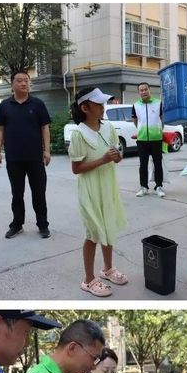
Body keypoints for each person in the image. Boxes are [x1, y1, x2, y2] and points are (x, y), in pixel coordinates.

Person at [68, 87, 128, 297]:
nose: (103, 108)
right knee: (93, 233)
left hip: (108, 186)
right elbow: (76, 168)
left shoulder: (108, 127)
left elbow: (117, 156)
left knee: (108, 225)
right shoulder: (78, 134)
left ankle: (108, 269)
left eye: (103, 104)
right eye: (98, 104)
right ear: (85, 108)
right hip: (90, 190)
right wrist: (102, 160)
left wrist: (116, 157)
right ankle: (88, 279)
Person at [0, 70, 52, 239]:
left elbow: (45, 128)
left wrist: (47, 150)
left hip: (35, 157)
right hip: (14, 158)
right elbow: (0, 129)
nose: (24, 83)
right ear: (12, 84)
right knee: (17, 194)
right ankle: (17, 224)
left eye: (26, 80)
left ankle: (43, 225)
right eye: (19, 81)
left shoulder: (38, 104)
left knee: (39, 193)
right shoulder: (5, 105)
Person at [132, 81, 165, 198]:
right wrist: (141, 129)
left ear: (149, 90)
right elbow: (135, 120)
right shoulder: (136, 105)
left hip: (156, 139)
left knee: (158, 163)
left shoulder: (158, 103)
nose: (144, 92)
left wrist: (159, 130)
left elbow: (162, 118)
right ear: (139, 92)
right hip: (142, 139)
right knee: (143, 164)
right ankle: (144, 187)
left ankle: (159, 187)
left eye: (145, 89)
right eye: (141, 90)